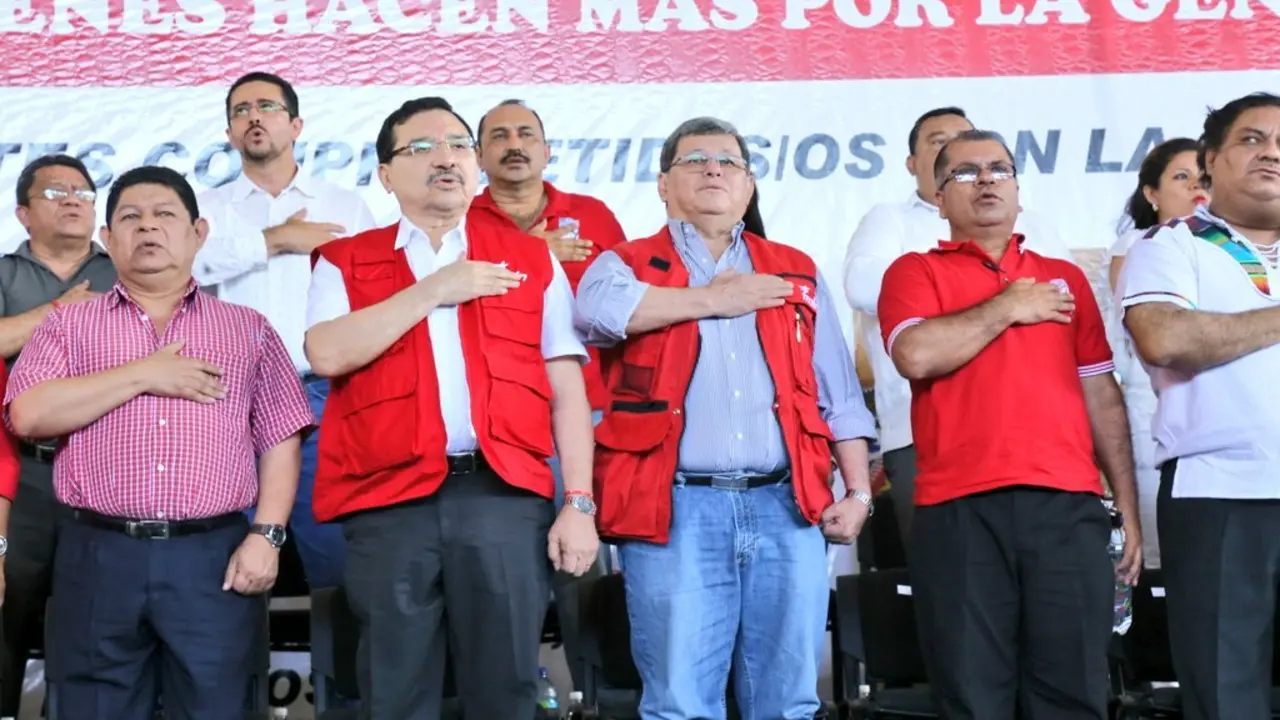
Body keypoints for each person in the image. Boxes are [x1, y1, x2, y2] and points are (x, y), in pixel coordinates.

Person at [304, 96, 599, 720]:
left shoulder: (528, 257)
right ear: (386, 175)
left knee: (506, 689)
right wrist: (436, 287)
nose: (446, 159)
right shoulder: (345, 260)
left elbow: (566, 387)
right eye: (422, 148)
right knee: (395, 689)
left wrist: (577, 501)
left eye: (459, 146)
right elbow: (327, 353)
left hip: (501, 499)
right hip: (389, 505)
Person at [575, 116, 877, 720]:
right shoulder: (623, 263)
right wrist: (716, 300)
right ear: (663, 184)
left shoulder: (793, 268)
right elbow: (599, 312)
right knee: (681, 702)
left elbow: (838, 395)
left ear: (748, 186)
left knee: (788, 700)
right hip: (676, 509)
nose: (714, 169)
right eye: (695, 160)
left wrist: (861, 491)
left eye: (729, 161)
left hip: (786, 506)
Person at [4, 165, 313, 720]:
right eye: (130, 217)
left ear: (198, 233)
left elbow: (279, 437)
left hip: (213, 557)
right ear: (108, 239)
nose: (147, 228)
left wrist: (266, 535)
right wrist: (144, 374)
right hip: (97, 554)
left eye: (164, 215)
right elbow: (28, 414)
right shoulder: (67, 327)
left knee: (219, 706)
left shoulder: (246, 328)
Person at [878, 129, 1141, 719]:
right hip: (959, 509)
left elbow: (1100, 393)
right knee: (973, 694)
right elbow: (916, 355)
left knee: (1074, 691)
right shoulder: (913, 272)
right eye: (966, 173)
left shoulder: (1064, 279)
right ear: (939, 199)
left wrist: (1125, 502)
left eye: (1000, 169)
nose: (988, 180)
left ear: (1019, 189)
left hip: (1068, 505)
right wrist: (1008, 306)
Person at [842, 107, 1072, 553]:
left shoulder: (1033, 223)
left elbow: (1062, 301)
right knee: (953, 580)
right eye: (940, 141)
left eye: (970, 141)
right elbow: (864, 286)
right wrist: (1003, 303)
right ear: (915, 165)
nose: (974, 168)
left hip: (1040, 431)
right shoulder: (889, 219)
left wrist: (945, 305)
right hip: (924, 430)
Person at [1119, 92, 1280, 720]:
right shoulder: (1170, 245)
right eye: (1253, 139)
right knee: (1224, 690)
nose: (1272, 152)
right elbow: (1166, 337)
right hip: (1220, 492)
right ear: (1210, 161)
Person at [194, 71, 377, 591]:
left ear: (295, 124)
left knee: (336, 552)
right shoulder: (204, 209)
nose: (254, 117)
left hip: (325, 393)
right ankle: (233, 673)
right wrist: (275, 239)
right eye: (241, 110)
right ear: (229, 133)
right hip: (229, 396)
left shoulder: (343, 206)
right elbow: (183, 270)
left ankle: (342, 672)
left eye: (267, 107)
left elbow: (371, 298)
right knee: (229, 552)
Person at [470, 98, 627, 688]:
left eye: (526, 133)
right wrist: (537, 256)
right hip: (492, 416)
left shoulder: (591, 215)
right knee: (500, 567)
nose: (515, 144)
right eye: (499, 136)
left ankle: (596, 689)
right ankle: (521, 687)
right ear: (479, 154)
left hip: (578, 413)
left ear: (547, 148)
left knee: (583, 562)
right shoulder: (460, 219)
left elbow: (620, 306)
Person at [0, 154, 117, 717]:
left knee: (92, 622)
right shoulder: (4, 275)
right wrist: (58, 311)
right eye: (54, 193)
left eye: (84, 191)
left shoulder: (127, 270)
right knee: (6, 614)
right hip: (20, 476)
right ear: (23, 213)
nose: (73, 199)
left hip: (107, 474)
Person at [1105, 137, 1205, 570]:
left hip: (1217, 411)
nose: (1195, 187)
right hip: (1152, 401)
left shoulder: (1230, 246)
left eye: (1203, 177)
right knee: (1158, 545)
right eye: (1181, 177)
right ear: (1152, 193)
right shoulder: (1137, 245)